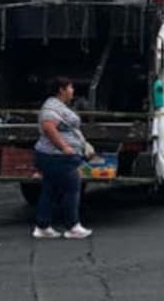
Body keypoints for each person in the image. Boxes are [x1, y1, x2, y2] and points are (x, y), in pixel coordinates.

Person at [32, 76, 97, 239]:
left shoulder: (58, 106)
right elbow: (48, 126)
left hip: (53, 156)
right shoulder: (51, 107)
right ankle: (72, 226)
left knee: (50, 189)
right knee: (72, 188)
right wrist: (65, 147)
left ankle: (42, 225)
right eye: (70, 87)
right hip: (56, 156)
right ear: (61, 90)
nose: (72, 91)